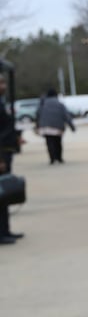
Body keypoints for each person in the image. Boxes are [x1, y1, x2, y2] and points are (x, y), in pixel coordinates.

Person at [0, 74, 24, 244]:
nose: (4, 85)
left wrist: (15, 138)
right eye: (0, 82)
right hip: (2, 153)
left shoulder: (3, 103)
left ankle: (5, 229)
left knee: (5, 193)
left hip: (7, 150)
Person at [35, 88, 75, 164]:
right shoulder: (60, 104)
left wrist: (37, 126)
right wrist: (72, 127)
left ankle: (52, 158)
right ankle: (59, 158)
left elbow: (38, 115)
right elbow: (66, 116)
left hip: (45, 127)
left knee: (49, 143)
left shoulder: (42, 104)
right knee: (58, 142)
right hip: (58, 126)